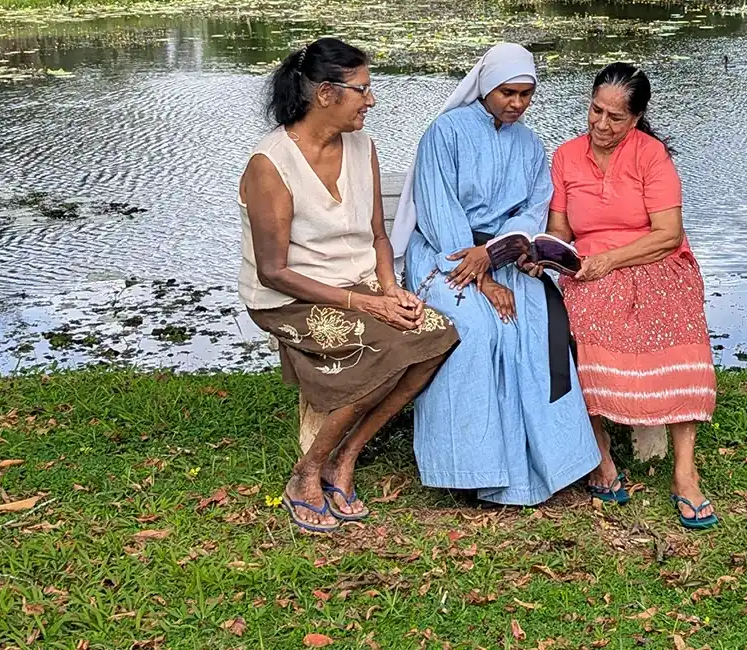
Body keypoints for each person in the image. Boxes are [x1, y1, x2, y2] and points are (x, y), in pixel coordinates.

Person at [239, 38, 458, 533]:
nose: (371, 100)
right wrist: (365, 303)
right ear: (325, 95)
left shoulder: (362, 146)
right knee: (381, 350)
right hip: (288, 298)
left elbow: (380, 234)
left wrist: (389, 288)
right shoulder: (270, 165)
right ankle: (306, 473)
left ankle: (345, 458)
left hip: (360, 285)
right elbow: (273, 271)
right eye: (362, 89)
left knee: (436, 336)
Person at [393, 43, 601, 505]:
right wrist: (482, 276)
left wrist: (503, 252)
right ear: (487, 86)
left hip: (499, 257)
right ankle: (471, 468)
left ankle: (547, 461)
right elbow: (438, 208)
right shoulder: (444, 132)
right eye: (509, 92)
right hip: (447, 258)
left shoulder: (529, 144)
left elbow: (532, 208)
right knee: (481, 329)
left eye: (527, 94)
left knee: (532, 325)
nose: (517, 103)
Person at [546, 63, 719, 529]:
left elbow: (668, 233)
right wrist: (547, 251)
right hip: (588, 268)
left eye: (615, 117)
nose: (601, 125)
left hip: (653, 259)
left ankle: (685, 472)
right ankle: (601, 454)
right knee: (586, 319)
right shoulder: (565, 157)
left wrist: (612, 260)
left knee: (678, 317)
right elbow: (561, 230)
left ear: (637, 118)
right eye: (595, 111)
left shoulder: (651, 156)